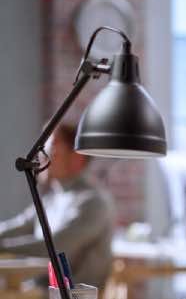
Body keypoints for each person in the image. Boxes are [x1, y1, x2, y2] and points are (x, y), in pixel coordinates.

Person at [0, 124, 115, 289]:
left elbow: (53, 249)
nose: (41, 156)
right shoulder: (52, 198)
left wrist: (2, 248)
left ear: (77, 157)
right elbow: (17, 226)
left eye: (51, 147)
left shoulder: (93, 202)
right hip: (38, 291)